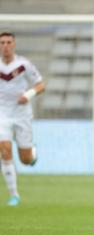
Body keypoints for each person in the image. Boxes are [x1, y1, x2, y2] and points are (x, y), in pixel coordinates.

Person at [0, 32, 44, 206]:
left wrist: (29, 94)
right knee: (4, 150)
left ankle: (32, 153)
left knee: (25, 160)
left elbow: (40, 84)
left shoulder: (24, 65)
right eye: (2, 42)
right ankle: (14, 195)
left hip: (22, 114)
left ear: (14, 44)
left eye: (8, 42)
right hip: (2, 113)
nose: (5, 45)